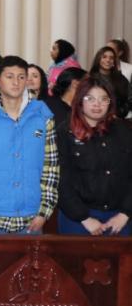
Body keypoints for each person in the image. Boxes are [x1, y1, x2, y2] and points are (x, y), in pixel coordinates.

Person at [0, 55, 58, 234]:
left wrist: (44, 213)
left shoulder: (43, 116)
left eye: (21, 77)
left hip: (31, 218)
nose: (16, 82)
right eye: (10, 76)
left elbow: (51, 166)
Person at [56, 76, 132, 236]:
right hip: (77, 219)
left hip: (120, 217)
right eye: (90, 98)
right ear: (79, 101)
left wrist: (125, 213)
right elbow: (61, 179)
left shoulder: (123, 131)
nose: (97, 104)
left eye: (103, 99)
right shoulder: (65, 132)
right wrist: (83, 218)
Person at [89, 46, 130, 116]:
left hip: (116, 119)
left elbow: (129, 99)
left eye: (111, 58)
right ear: (98, 59)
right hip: (94, 117)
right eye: (104, 57)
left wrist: (119, 113)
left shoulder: (121, 79)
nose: (108, 60)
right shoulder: (89, 78)